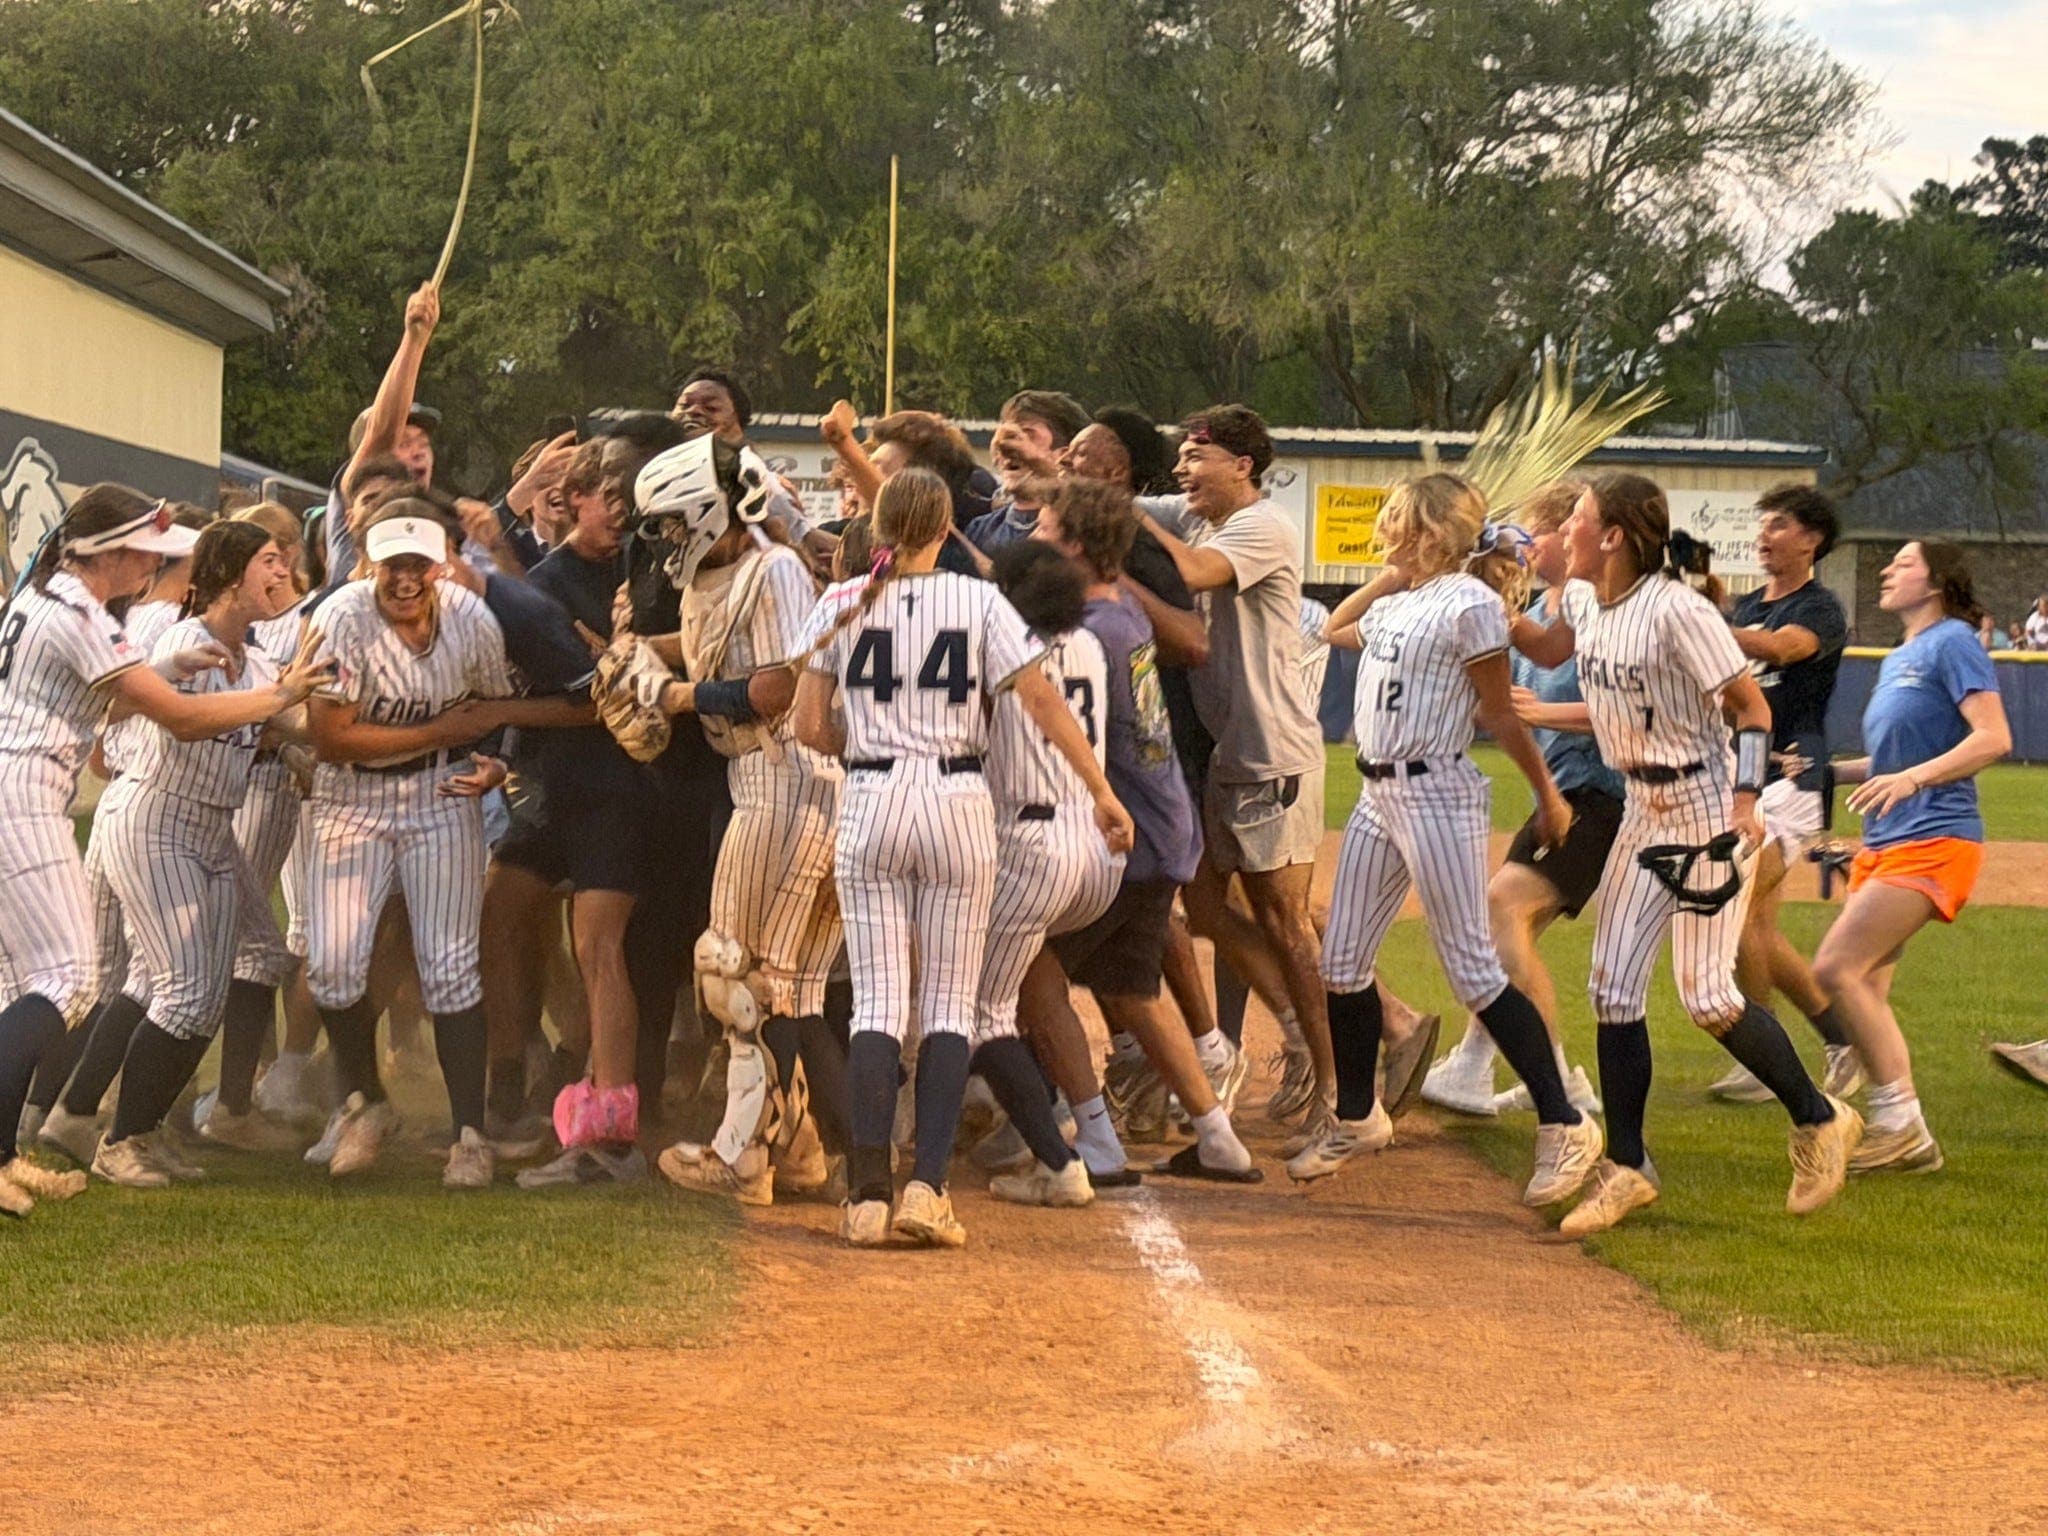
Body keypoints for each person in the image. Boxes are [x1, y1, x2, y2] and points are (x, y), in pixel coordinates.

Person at [792, 467, 1133, 1249]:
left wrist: (870, 747)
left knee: (878, 1006)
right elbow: (1040, 701)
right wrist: (1100, 791)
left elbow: (809, 727)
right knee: (950, 1006)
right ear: (946, 527)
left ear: (879, 526)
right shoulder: (978, 601)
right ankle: (928, 1189)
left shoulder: (842, 600)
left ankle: (868, 1196)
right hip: (957, 800)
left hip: (870, 798)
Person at [1514, 472, 1862, 1236]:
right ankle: (1629, 1167)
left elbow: (1753, 708)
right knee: (1612, 989)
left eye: (1577, 518)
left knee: (1706, 996)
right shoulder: (1585, 600)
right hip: (1642, 807)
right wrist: (1487, 604)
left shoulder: (1677, 609)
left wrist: (1744, 801)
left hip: (1704, 808)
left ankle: (1819, 1118)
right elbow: (1555, 654)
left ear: (1613, 536)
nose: (1565, 528)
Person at [0, 487, 318, 1216]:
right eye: (148, 550)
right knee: (72, 981)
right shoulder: (80, 611)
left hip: (30, 787)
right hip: (32, 793)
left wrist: (177, 674)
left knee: (33, 984)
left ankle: (13, 1150)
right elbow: (177, 720)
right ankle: (76, 1132)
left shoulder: (48, 596)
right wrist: (278, 697)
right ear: (108, 551)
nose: (157, 565)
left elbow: (109, 704)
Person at [1290, 474, 1601, 1201]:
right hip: (1378, 793)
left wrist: (1548, 796)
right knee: (1342, 963)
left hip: (1436, 791)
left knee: (1473, 971)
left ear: (1430, 532)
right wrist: (1393, 575)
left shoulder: (1470, 604)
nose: (1385, 528)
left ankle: (1565, 1123)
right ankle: (1359, 1117)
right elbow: (1335, 628)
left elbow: (1500, 713)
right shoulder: (1407, 598)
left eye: (1399, 520)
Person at [301, 503, 569, 1189]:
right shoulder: (342, 618)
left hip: (440, 793)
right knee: (333, 965)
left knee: (451, 966)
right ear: (368, 564)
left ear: (440, 566)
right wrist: (440, 731)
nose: (405, 578)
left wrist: (496, 762)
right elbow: (331, 738)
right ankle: (366, 1102)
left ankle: (468, 1137)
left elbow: (499, 706)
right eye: (392, 564)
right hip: (350, 796)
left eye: (418, 564)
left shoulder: (471, 619)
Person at [627, 435, 849, 1204]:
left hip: (785, 776)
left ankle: (742, 1157)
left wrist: (678, 698)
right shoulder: (731, 572)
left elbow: (779, 687)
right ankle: (802, 1149)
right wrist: (640, 653)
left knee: (738, 978)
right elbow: (709, 646)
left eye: (672, 523)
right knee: (778, 987)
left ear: (706, 511)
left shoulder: (775, 567)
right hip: (775, 781)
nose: (665, 539)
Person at [1022, 478, 1256, 1185]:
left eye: (1046, 528)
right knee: (1131, 989)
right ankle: (1218, 1137)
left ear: (1076, 546)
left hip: (1133, 836)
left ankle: (1093, 1136)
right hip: (1164, 824)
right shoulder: (1122, 609)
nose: (1034, 537)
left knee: (1031, 970)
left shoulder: (1087, 632)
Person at [86, 521, 320, 1185]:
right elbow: (185, 724)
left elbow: (296, 724)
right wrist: (281, 698)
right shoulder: (183, 640)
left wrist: (340, 701)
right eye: (268, 561)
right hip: (157, 820)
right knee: (181, 992)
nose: (283, 571)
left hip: (210, 829)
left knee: (227, 982)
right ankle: (115, 1139)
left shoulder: (258, 660)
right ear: (228, 574)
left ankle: (143, 1128)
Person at [1137, 406, 1333, 1149]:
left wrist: (1137, 524)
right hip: (1226, 754)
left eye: (1197, 457)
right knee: (1206, 909)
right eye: (1182, 458)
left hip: (1272, 752)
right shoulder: (1199, 517)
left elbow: (1192, 571)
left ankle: (1336, 1087)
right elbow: (1121, 501)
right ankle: (1302, 1037)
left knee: (1286, 923)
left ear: (1242, 466)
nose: (1182, 470)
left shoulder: (1261, 525)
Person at [1418, 481, 1614, 1118]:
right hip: (1562, 790)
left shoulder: (1592, 606)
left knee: (1500, 909)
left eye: (1537, 531)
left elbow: (1628, 709)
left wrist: (1542, 713)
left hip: (1601, 795)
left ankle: (1556, 1081)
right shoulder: (1545, 610)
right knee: (1504, 931)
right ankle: (1473, 1065)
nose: (1526, 543)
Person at [1813, 542, 2010, 1173]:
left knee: (1836, 968)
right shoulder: (1902, 655)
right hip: (1888, 842)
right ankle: (1901, 1131)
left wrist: (1914, 779)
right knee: (1864, 988)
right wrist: (1824, 772)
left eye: (1902, 563)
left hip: (1934, 838)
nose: (1886, 570)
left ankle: (1901, 1126)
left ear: (1936, 582)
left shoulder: (1953, 642)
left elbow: (1994, 737)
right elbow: (1893, 763)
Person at [1713, 484, 1862, 1103]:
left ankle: (1762, 1056)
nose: (1764, 535)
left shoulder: (1820, 608)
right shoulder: (1748, 604)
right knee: (1760, 931)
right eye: (1763, 524)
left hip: (1797, 775)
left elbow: (1781, 648)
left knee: (1740, 908)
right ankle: (1842, 1037)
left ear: (1811, 539)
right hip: (1747, 773)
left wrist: (1711, 626)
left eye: (1778, 524)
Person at [966, 390, 1092, 554]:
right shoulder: (978, 530)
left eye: (1027, 435)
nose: (1008, 447)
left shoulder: (1080, 532)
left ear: (1065, 455)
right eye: (1007, 436)